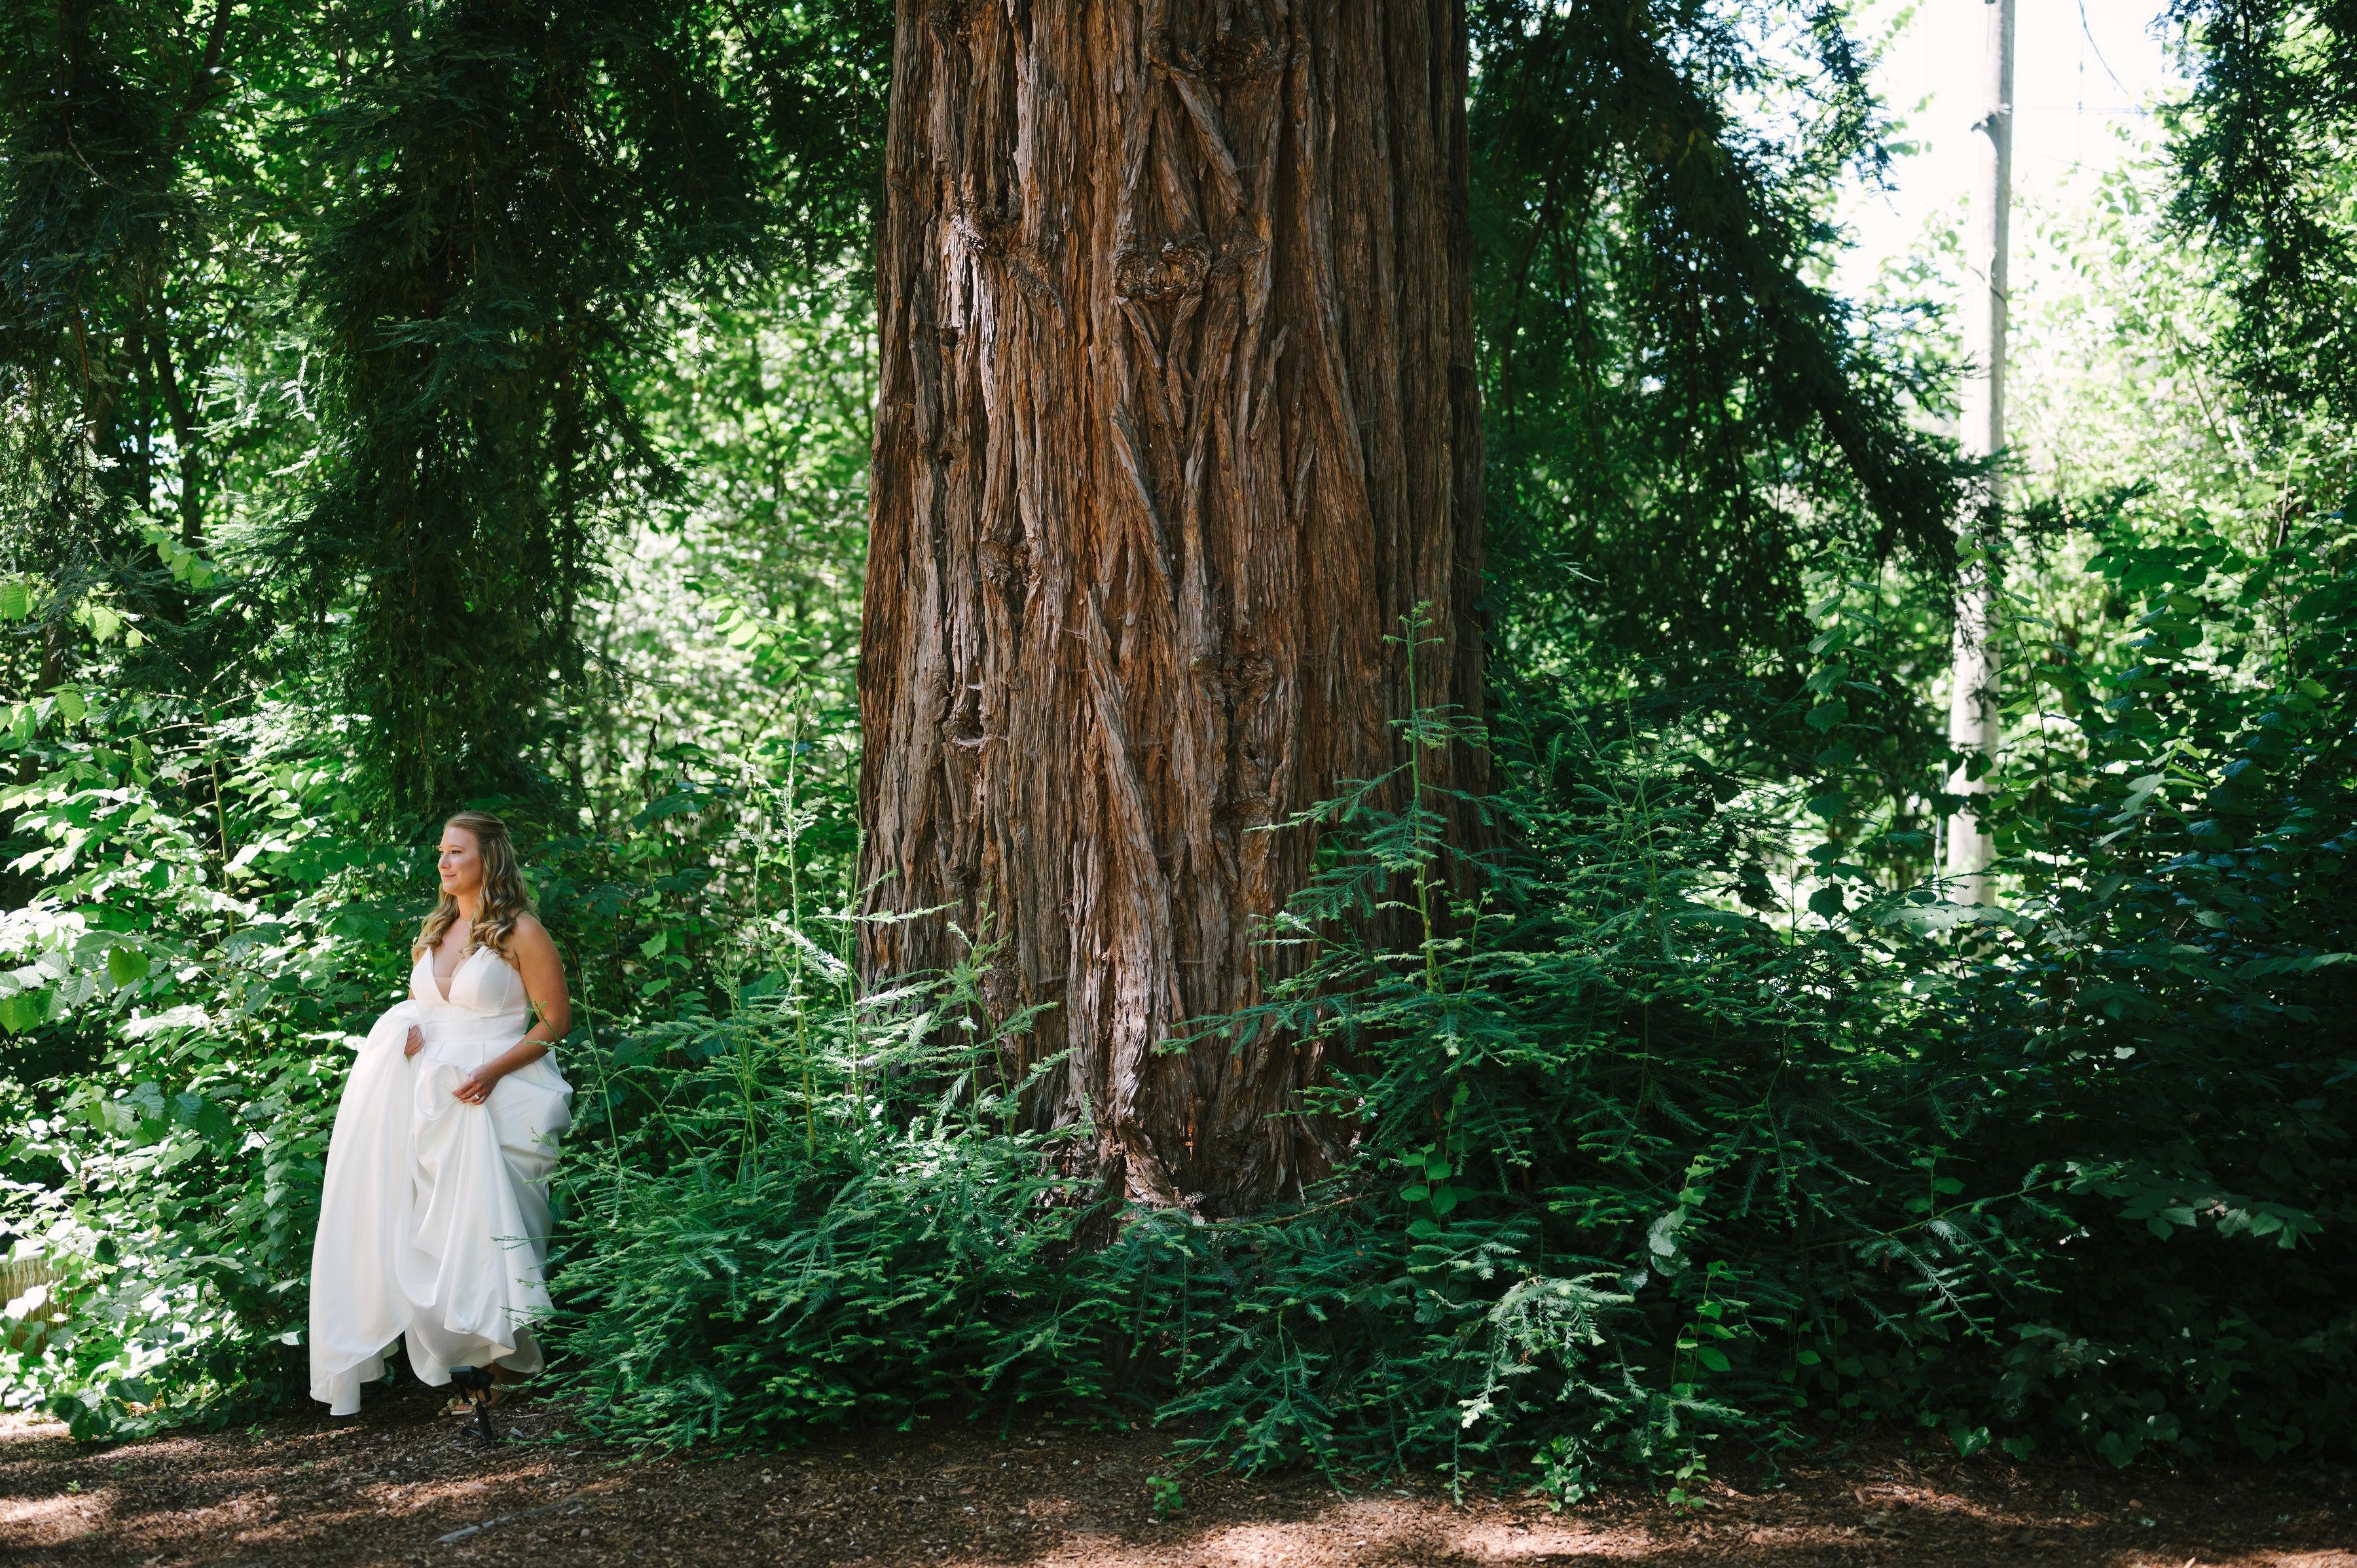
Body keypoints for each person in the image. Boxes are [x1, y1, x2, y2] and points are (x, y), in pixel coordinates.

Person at [308, 810, 574, 1418]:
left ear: (488, 859)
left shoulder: (521, 931)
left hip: (505, 1094)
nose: (444, 862)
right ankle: (476, 1368)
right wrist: (403, 1037)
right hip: (434, 1103)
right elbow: (421, 1010)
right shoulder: (435, 930)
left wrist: (492, 1071)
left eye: (457, 851)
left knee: (498, 1230)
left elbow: (555, 1020)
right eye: (442, 851)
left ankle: (507, 1367)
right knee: (441, 1237)